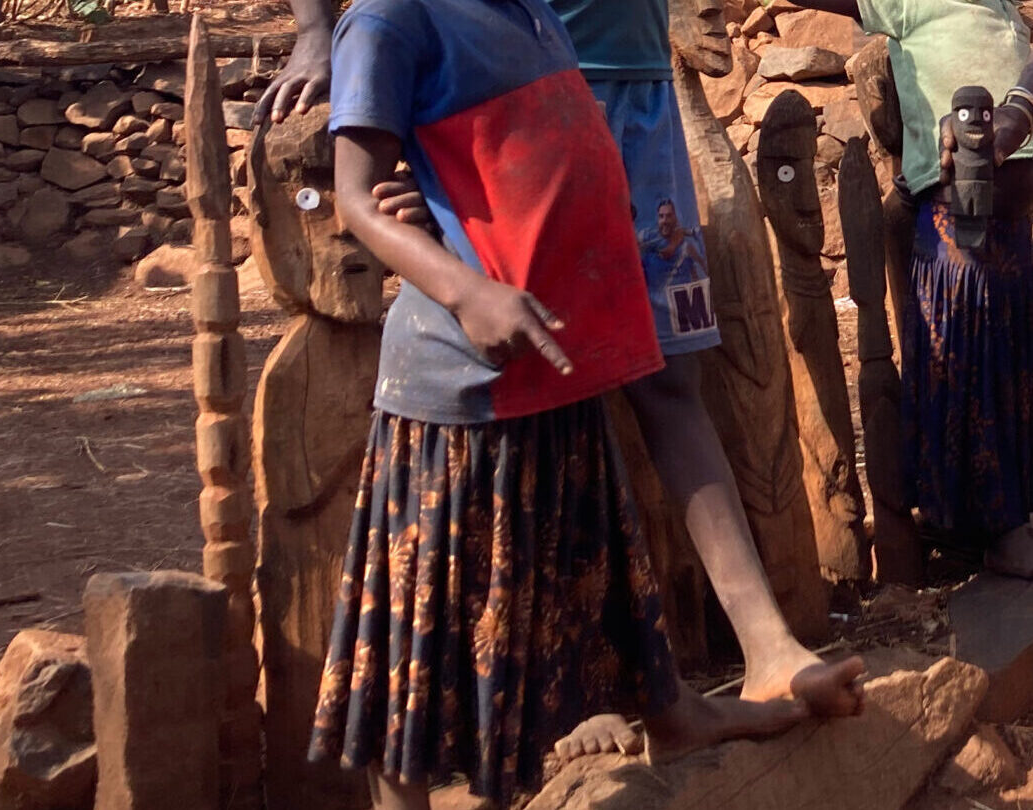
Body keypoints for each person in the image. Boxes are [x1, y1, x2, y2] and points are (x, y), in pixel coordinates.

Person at [256, 0, 868, 761]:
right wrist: (319, 35)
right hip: (507, 115)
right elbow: (366, 177)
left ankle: (736, 658)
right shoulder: (405, 20)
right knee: (526, 434)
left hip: (612, 90)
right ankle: (576, 700)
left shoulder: (530, 16)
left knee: (646, 388)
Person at [769, 0, 1033, 579]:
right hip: (958, 230)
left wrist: (1020, 106)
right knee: (972, 366)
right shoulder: (909, 2)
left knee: (1011, 372)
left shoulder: (1007, 11)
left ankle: (1010, 516)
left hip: (1014, 231)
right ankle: (997, 531)